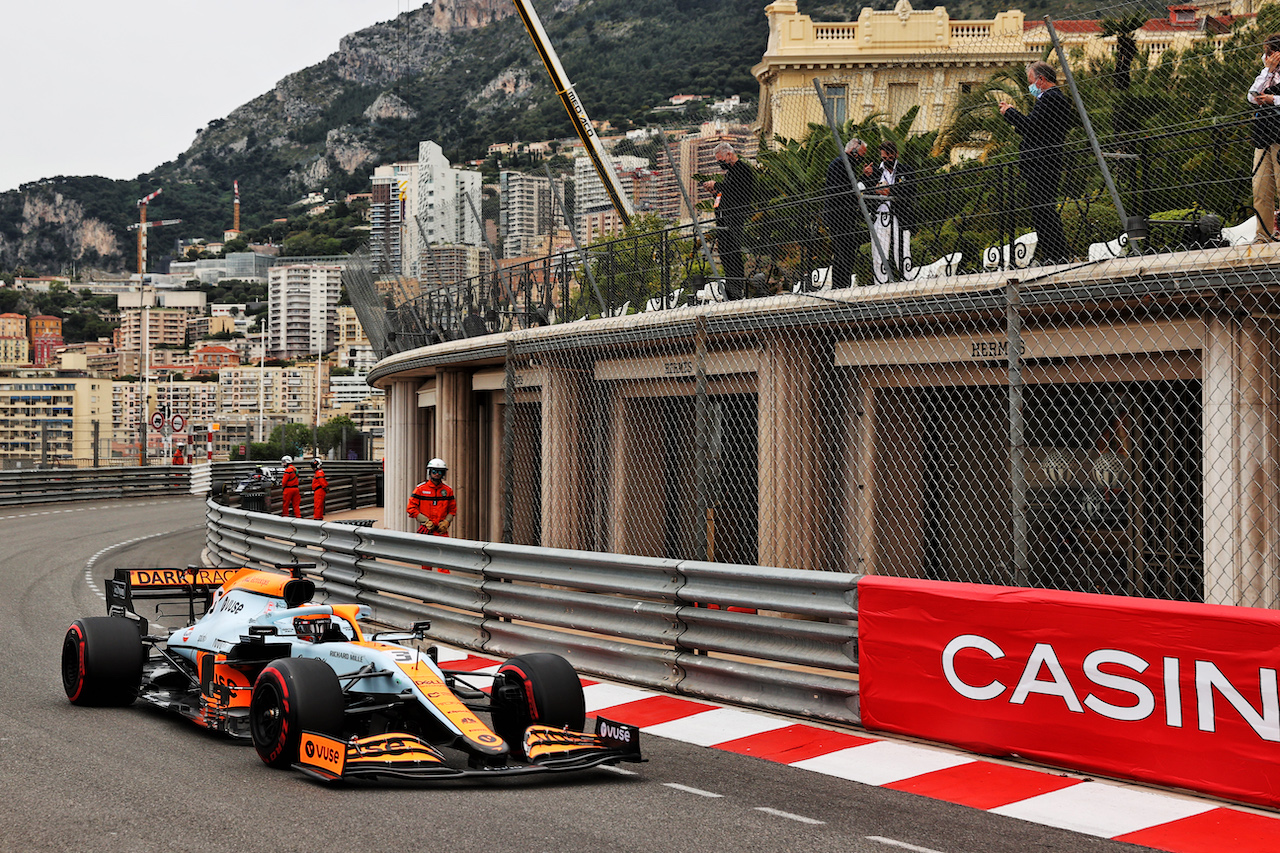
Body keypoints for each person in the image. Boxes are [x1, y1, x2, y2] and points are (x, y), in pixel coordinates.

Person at [999, 60, 1073, 265]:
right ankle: (1052, 254)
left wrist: (1010, 113)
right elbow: (1033, 129)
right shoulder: (1051, 99)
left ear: (1041, 80)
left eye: (1031, 81)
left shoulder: (1051, 99)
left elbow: (1030, 127)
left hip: (1042, 164)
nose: (1030, 86)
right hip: (1042, 163)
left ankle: (1056, 255)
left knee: (1044, 210)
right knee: (1041, 210)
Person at [700, 142, 756, 299]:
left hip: (734, 218)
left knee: (733, 253)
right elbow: (727, 192)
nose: (720, 163)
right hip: (725, 220)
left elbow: (736, 190)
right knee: (725, 253)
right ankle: (732, 286)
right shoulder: (731, 173)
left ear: (729, 155)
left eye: (721, 160)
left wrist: (717, 185)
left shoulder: (742, 169)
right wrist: (715, 191)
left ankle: (736, 287)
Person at [824, 138, 872, 289]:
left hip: (842, 216)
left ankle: (840, 286)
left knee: (844, 252)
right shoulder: (841, 164)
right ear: (854, 151)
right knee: (845, 252)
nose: (861, 159)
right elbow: (845, 191)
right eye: (861, 155)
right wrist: (863, 181)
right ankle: (840, 286)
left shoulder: (844, 164)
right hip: (839, 216)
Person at [869, 139, 915, 284]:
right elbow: (863, 188)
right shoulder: (875, 172)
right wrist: (870, 182)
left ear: (896, 154)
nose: (887, 161)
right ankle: (880, 282)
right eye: (884, 158)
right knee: (879, 250)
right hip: (880, 214)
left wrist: (891, 191)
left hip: (899, 215)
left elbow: (911, 190)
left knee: (902, 249)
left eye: (890, 158)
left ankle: (906, 279)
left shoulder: (905, 170)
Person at [1248, 33, 1280, 242]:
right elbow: (1251, 96)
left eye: (1270, 52)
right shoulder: (1266, 72)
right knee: (1261, 187)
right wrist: (1268, 71)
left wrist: (1273, 99)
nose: (1266, 56)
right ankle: (1263, 236)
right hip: (1263, 134)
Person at [406, 457, 457, 538]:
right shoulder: (420, 489)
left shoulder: (448, 490)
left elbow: (452, 509)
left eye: (440, 472)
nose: (437, 474)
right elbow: (411, 508)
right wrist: (425, 521)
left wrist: (446, 522)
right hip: (426, 530)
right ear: (429, 472)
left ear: (443, 473)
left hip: (441, 530)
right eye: (434, 471)